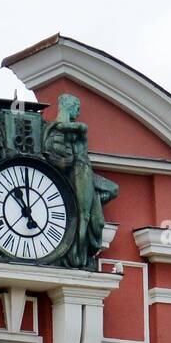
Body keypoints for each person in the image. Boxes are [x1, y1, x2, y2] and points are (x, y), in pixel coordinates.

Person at [43, 93, 118, 269]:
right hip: (79, 169)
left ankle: (93, 200)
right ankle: (78, 253)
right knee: (84, 215)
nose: (79, 110)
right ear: (68, 106)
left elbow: (79, 127)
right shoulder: (55, 129)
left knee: (112, 190)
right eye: (76, 107)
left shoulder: (74, 128)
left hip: (85, 170)